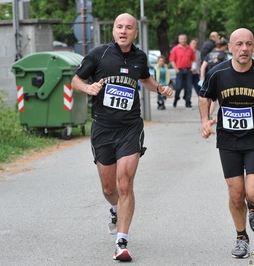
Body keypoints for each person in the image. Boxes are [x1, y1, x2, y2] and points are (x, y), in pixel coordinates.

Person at [71, 13, 174, 261]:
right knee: (109, 187)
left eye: (129, 27)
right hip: (103, 128)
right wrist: (88, 88)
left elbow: (145, 79)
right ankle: (115, 209)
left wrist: (160, 87)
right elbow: (75, 79)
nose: (123, 31)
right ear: (114, 30)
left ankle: (122, 242)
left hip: (130, 127)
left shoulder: (138, 57)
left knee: (125, 183)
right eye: (119, 27)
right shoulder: (99, 54)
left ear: (135, 33)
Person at [198, 28, 254, 259]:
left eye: (248, 44)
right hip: (228, 140)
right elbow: (205, 95)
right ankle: (241, 238)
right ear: (230, 48)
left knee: (253, 194)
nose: (243, 48)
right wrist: (205, 120)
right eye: (238, 44)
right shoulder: (218, 73)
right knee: (236, 195)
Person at [198, 37, 229, 119]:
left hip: (209, 76)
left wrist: (202, 79)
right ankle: (209, 115)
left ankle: (206, 114)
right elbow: (226, 66)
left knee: (207, 96)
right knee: (214, 99)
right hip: (219, 77)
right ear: (223, 46)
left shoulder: (209, 54)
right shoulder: (223, 54)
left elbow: (203, 67)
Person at [169, 34, 196, 109]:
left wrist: (193, 67)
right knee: (178, 87)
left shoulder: (190, 49)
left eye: (184, 39)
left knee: (189, 87)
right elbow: (172, 60)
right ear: (179, 40)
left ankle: (188, 102)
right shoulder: (175, 49)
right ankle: (176, 98)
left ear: (186, 39)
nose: (183, 40)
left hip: (188, 70)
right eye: (181, 39)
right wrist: (176, 69)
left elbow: (194, 59)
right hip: (179, 70)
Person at [189, 38, 201, 104]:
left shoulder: (198, 53)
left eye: (196, 44)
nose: (195, 45)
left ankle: (201, 99)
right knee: (188, 88)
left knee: (198, 87)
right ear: (190, 44)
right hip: (188, 72)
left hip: (196, 73)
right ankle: (187, 100)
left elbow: (199, 63)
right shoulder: (187, 52)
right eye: (193, 43)